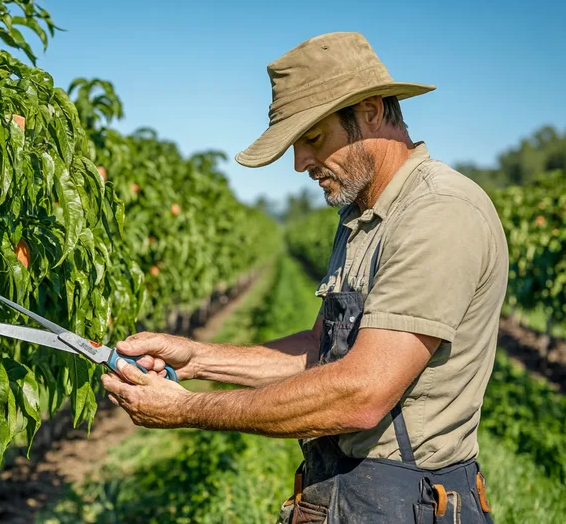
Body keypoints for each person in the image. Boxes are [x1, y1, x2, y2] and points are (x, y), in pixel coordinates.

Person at [101, 31, 508, 524]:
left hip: (408, 503)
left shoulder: (438, 213)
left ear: (373, 110)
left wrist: (187, 410)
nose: (300, 164)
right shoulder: (363, 214)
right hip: (347, 494)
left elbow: (362, 393)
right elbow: (323, 349)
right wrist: (198, 358)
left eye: (313, 138)